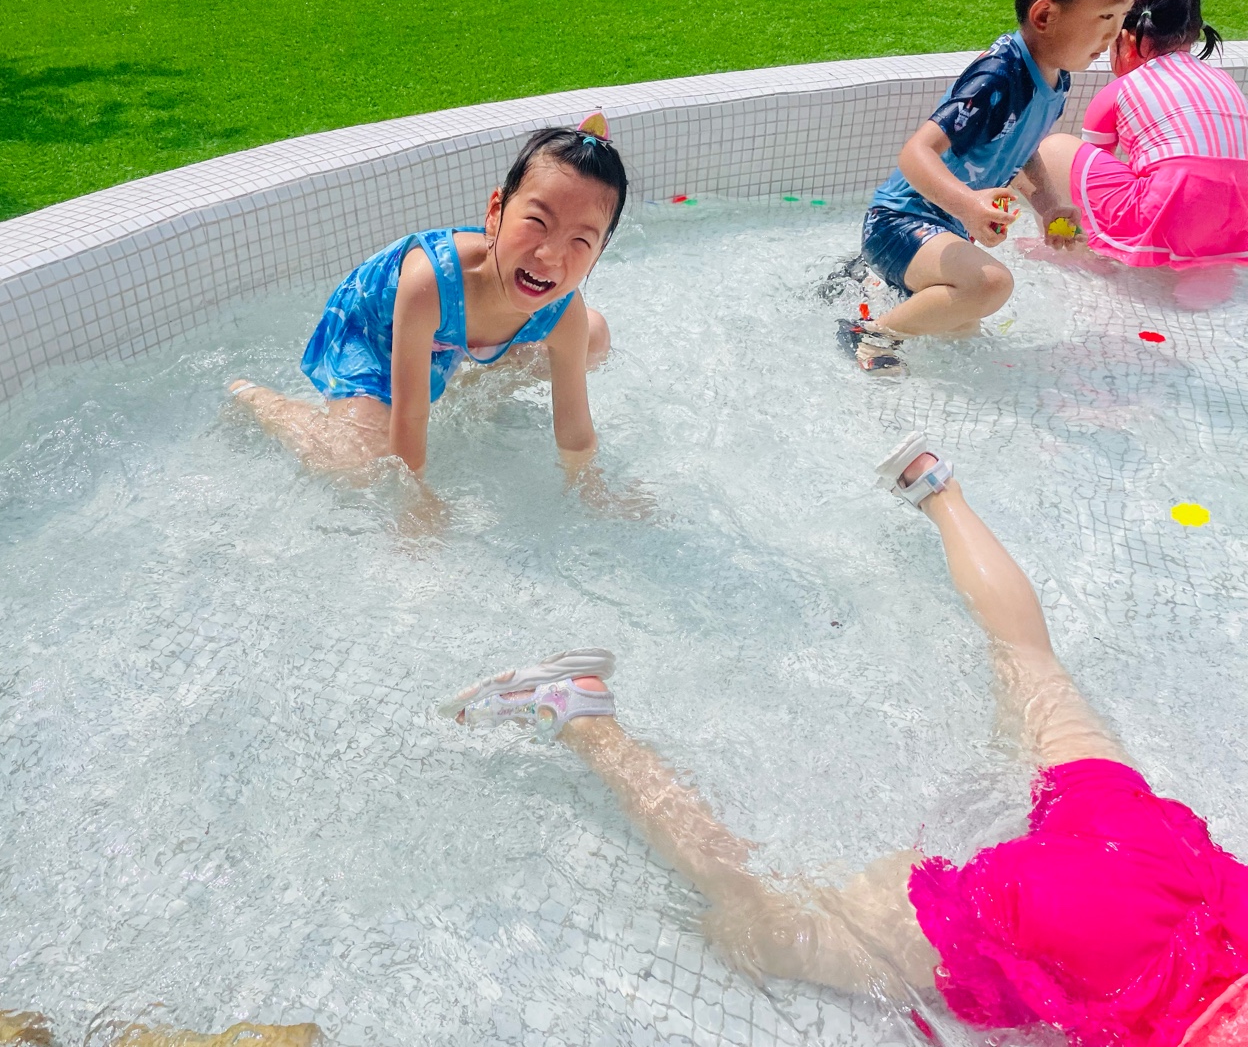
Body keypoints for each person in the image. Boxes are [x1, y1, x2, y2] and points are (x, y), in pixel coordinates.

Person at [442, 432, 1248, 1047]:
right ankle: (579, 712)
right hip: (1107, 949)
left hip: (1187, 878)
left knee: (1036, 672)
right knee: (771, 924)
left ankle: (935, 485)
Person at [228, 115, 624, 482]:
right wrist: (416, 500)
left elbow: (575, 433)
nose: (551, 255)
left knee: (592, 338)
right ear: (495, 212)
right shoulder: (429, 282)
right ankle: (259, 400)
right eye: (537, 222)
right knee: (361, 465)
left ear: (599, 253)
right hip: (377, 333)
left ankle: (472, 381)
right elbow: (410, 420)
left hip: (454, 332)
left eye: (581, 240)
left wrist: (592, 486)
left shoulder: (563, 311)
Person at [838, 0, 1146, 375]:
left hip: (942, 231)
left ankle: (870, 283)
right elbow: (915, 154)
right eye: (1106, 15)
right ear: (1045, 16)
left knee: (961, 329)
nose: (1115, 33)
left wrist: (1049, 207)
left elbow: (1019, 151)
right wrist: (968, 205)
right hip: (898, 222)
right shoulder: (998, 77)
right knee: (990, 284)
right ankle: (870, 333)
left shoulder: (1055, 80)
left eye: (1124, 16)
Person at [1032, 0, 1248, 274]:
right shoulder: (1224, 81)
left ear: (1125, 39)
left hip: (1164, 225)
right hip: (1233, 228)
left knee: (1051, 149)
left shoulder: (1119, 92)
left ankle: (1074, 250)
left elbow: (1085, 183)